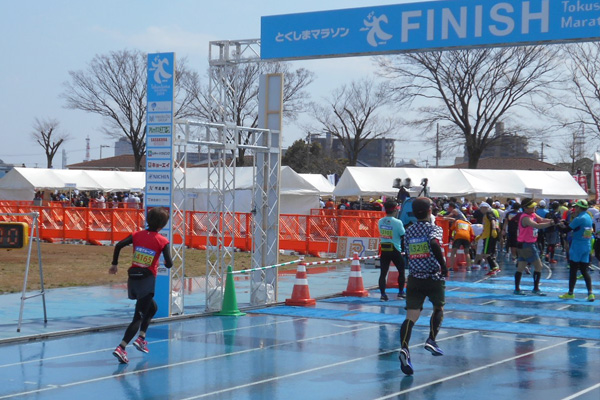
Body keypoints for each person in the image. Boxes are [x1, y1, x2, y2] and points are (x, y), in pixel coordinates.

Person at [109, 207, 173, 364]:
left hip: (133, 278)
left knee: (152, 308)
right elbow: (169, 263)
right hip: (147, 280)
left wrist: (115, 264)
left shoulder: (137, 235)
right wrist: (164, 261)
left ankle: (141, 338)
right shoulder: (162, 241)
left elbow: (118, 245)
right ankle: (122, 347)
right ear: (162, 225)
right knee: (138, 316)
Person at [398, 197, 448, 376]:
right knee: (438, 308)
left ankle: (404, 348)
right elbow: (434, 243)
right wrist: (443, 265)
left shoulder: (409, 231)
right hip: (433, 277)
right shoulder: (434, 228)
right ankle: (432, 340)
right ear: (429, 211)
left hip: (414, 278)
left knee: (410, 317)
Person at [514, 198, 555, 296]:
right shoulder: (525, 218)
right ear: (525, 208)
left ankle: (517, 289)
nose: (533, 208)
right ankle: (536, 288)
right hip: (527, 245)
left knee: (521, 266)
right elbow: (537, 225)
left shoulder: (532, 214)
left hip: (524, 244)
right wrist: (551, 223)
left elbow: (541, 220)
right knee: (538, 266)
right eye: (531, 207)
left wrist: (553, 220)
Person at [558, 200, 595, 302]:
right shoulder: (588, 217)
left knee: (573, 270)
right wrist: (566, 223)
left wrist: (557, 224)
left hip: (577, 247)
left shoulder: (579, 218)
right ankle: (590, 293)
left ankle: (570, 293)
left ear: (579, 208)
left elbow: (566, 230)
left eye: (576, 207)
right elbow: (576, 226)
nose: (575, 209)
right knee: (584, 270)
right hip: (586, 246)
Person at [378, 200, 406, 300]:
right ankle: (401, 292)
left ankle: (383, 295)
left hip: (384, 248)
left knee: (383, 273)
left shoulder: (380, 221)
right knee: (401, 271)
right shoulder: (398, 222)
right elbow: (403, 235)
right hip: (395, 249)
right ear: (395, 210)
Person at [477, 202, 502, 275]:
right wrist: (481, 235)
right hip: (486, 235)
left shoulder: (488, 213)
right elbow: (486, 227)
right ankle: (493, 268)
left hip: (489, 236)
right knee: (488, 253)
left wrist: (494, 229)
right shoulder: (485, 215)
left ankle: (494, 267)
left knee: (486, 253)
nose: (481, 210)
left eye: (481, 208)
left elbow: (493, 221)